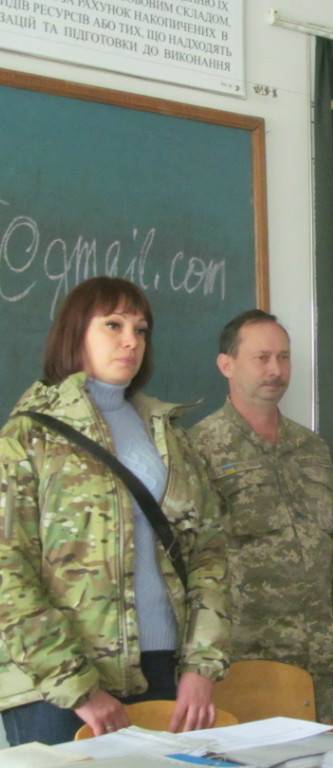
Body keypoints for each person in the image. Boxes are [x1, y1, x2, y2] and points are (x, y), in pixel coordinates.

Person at [0, 277, 230, 746]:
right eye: (113, 325)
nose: (131, 340)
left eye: (141, 329)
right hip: (57, 687)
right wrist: (77, 686)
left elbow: (209, 552)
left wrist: (201, 665)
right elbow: (7, 572)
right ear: (75, 332)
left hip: (163, 669)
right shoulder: (28, 436)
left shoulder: (168, 435)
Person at [191, 309, 333, 723]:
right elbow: (186, 562)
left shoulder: (312, 448)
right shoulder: (198, 448)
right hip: (241, 659)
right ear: (226, 364)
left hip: (314, 658)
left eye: (283, 357)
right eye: (262, 358)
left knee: (317, 752)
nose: (276, 370)